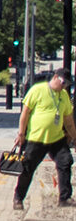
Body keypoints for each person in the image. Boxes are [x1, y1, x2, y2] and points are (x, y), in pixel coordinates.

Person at [13, 67, 73, 211]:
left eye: (67, 85)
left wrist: (74, 137)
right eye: (63, 83)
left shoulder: (64, 96)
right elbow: (25, 113)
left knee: (66, 162)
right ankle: (18, 198)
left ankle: (64, 198)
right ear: (56, 78)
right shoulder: (37, 90)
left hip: (57, 139)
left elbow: (69, 120)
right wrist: (21, 133)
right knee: (28, 168)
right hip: (36, 139)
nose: (65, 87)